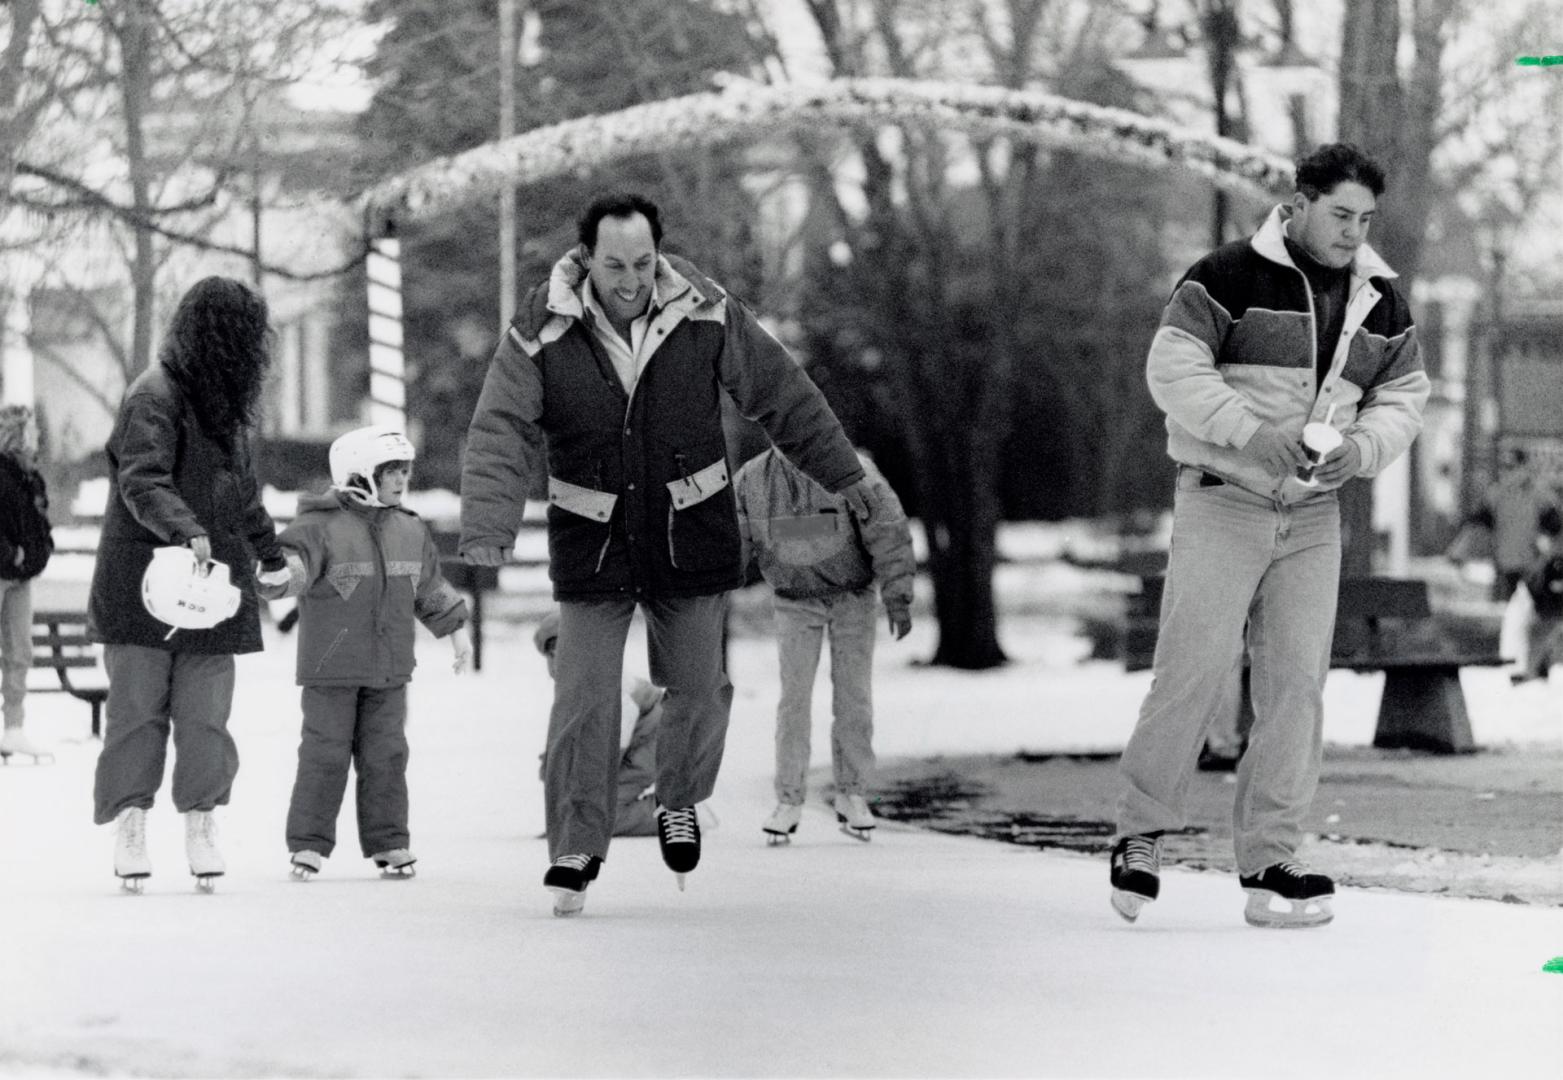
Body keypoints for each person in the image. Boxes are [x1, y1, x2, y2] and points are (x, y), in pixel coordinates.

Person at [460, 192, 878, 916]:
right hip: (593, 542)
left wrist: (844, 476)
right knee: (583, 700)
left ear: (660, 253)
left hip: (690, 532)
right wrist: (487, 526)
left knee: (697, 689)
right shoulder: (540, 329)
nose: (631, 280)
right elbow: (500, 428)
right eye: (615, 264)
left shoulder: (705, 311)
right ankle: (574, 845)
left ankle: (677, 798)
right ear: (586, 257)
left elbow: (783, 394)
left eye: (644, 262)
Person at [1109, 143, 1430, 929]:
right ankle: (1139, 835)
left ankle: (1270, 859)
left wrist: (1360, 450)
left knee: (1295, 686)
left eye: (1364, 219)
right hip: (1224, 500)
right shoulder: (1222, 277)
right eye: (1339, 214)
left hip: (1314, 516)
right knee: (1191, 671)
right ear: (1297, 202)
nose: (1353, 233)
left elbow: (1404, 397)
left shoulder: (1381, 299)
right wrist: (1250, 434)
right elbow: (1173, 373)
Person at [89, 276, 292, 893]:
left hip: (212, 587)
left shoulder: (223, 408)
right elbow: (142, 479)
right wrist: (184, 530)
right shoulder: (153, 394)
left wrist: (270, 554)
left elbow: (240, 493)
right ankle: (131, 822)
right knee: (136, 713)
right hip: (142, 581)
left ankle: (201, 822)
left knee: (205, 718)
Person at [258, 425, 472, 880]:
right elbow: (291, 569)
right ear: (358, 475)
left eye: (404, 471)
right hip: (330, 671)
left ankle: (390, 842)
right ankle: (309, 846)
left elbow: (428, 587)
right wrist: (278, 576)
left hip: (389, 671)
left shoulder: (409, 529)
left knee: (387, 756)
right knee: (324, 755)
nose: (400, 480)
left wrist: (456, 630)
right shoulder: (318, 527)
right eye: (390, 471)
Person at [732, 446, 914, 843]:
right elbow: (735, 541)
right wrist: (712, 595)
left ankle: (853, 794)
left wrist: (897, 595)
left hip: (852, 597)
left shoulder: (853, 469)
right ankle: (788, 799)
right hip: (794, 600)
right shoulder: (752, 478)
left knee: (854, 697)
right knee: (793, 700)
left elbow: (886, 528)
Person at [530, 609, 715, 838]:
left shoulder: (611, 685)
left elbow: (614, 739)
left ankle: (681, 813)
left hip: (663, 737)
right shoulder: (575, 688)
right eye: (553, 653)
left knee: (604, 812)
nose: (560, 660)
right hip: (639, 742)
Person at [0, 405, 55, 764]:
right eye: (30, 430)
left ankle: (13, 729)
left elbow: (40, 522)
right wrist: (10, 553)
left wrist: (39, 551)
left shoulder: (32, 478)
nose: (35, 436)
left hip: (21, 579)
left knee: (19, 651)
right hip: (3, 570)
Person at [1514, 505, 1563, 683]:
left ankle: (1533, 672)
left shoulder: (1554, 556)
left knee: (1540, 636)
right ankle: (1539, 670)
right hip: (1547, 607)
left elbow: (1540, 582)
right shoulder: (1548, 555)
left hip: (1551, 609)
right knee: (1542, 637)